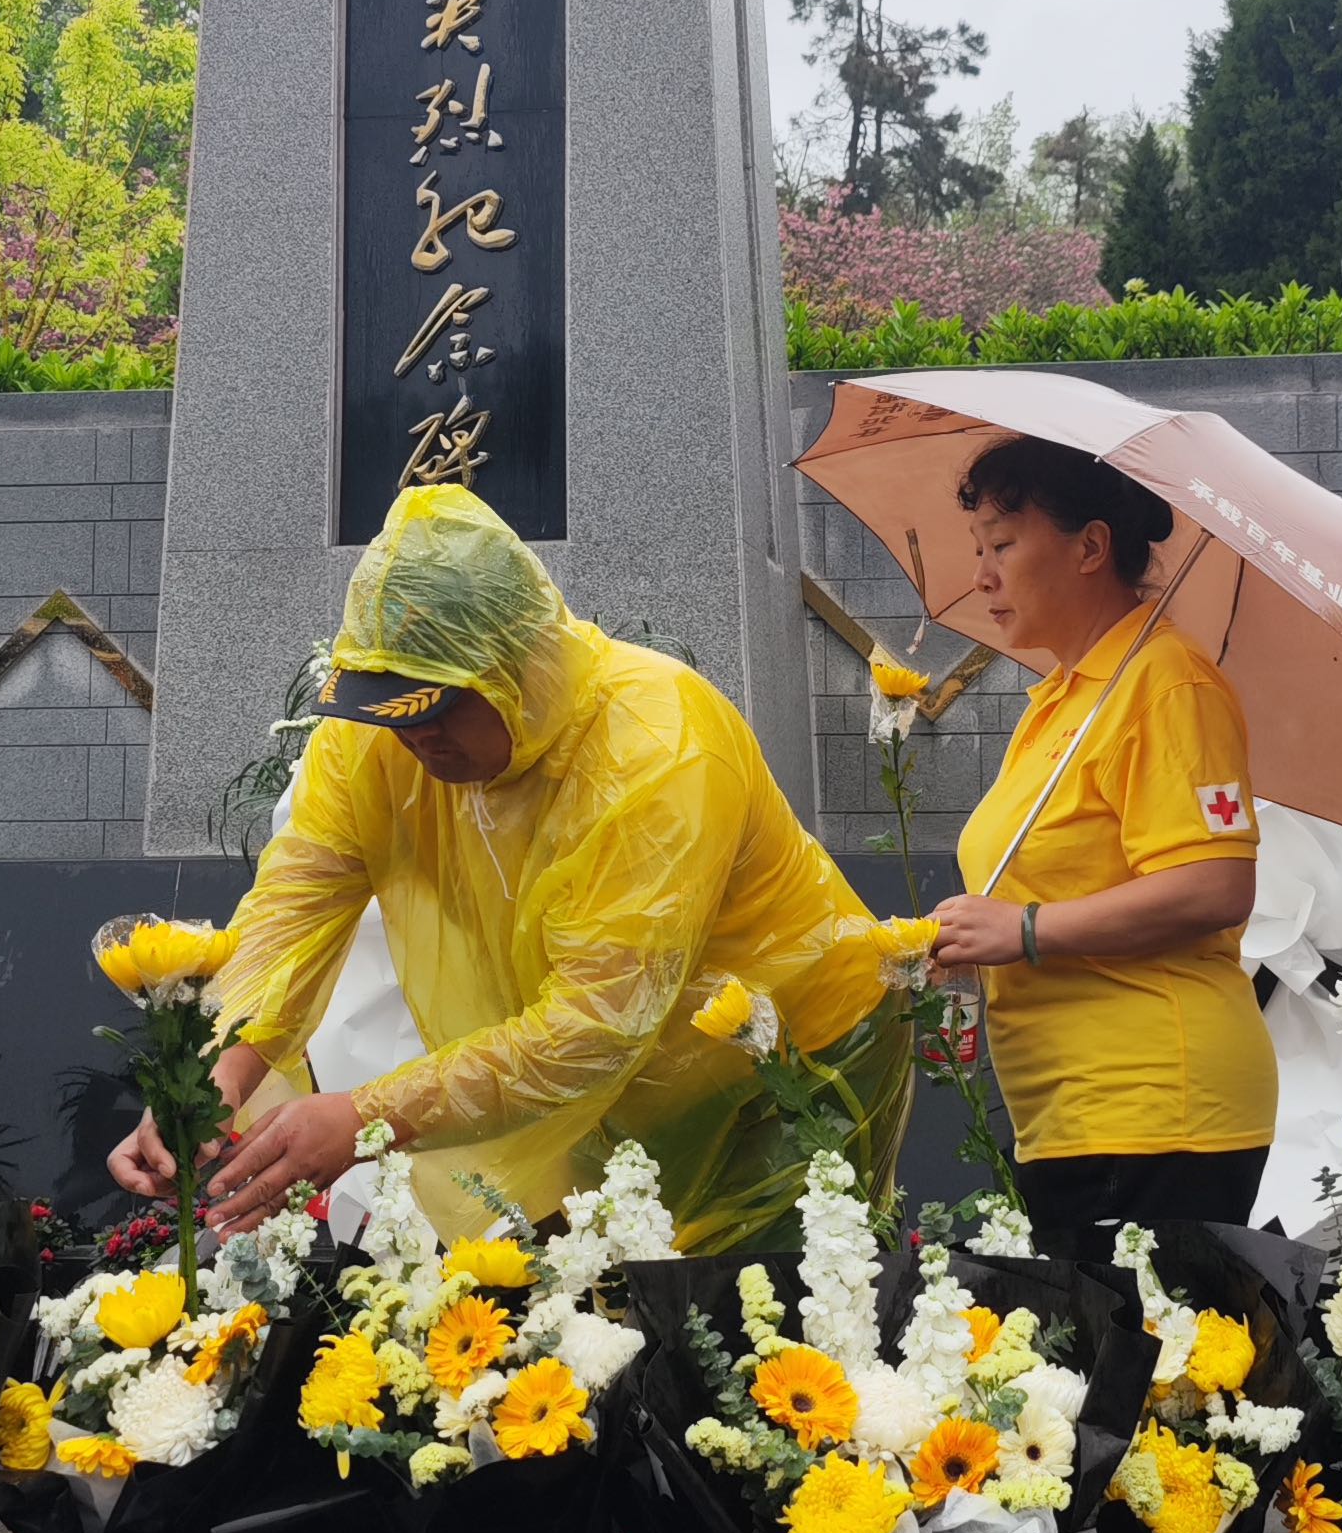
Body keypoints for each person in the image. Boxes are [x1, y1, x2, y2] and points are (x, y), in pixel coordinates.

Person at [129, 485, 902, 1251]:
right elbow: (287, 919)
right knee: (606, 1300)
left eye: (437, 708)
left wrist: (368, 1118)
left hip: (788, 1060)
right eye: (389, 710)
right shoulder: (372, 741)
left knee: (778, 1306)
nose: (416, 739)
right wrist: (208, 1079)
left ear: (521, 669)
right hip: (616, 1094)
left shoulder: (656, 748)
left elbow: (597, 1024)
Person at [921, 436, 1270, 1245]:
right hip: (1072, 1112)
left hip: (1152, 1106)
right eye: (978, 550)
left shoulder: (1167, 683)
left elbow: (1216, 883)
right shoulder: (1062, 700)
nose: (982, 577)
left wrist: (1025, 928)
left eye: (1003, 545)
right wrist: (976, 941)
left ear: (1090, 548)